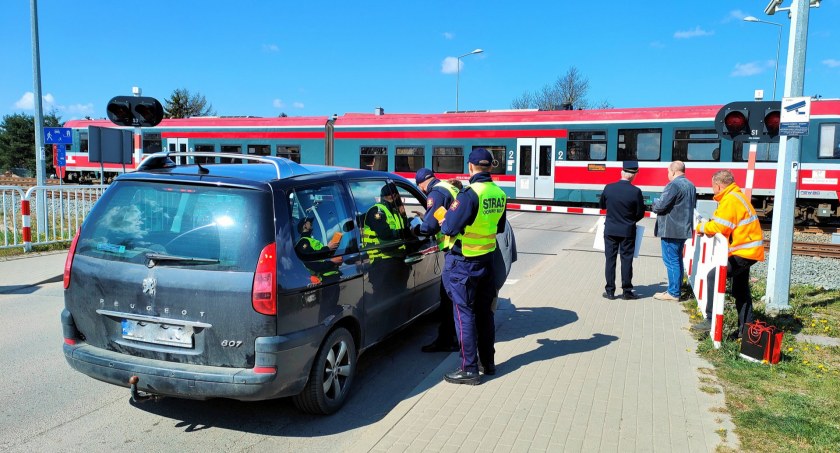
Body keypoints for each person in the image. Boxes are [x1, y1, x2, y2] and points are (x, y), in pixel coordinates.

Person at [440, 148, 507, 385]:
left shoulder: (469, 194)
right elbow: (499, 228)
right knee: (484, 313)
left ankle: (469, 368)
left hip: (464, 263)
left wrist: (444, 218)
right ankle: (488, 362)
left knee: (463, 314)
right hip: (486, 260)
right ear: (490, 167)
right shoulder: (498, 193)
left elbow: (448, 228)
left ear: (470, 167)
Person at [692, 170, 764, 339]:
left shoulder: (730, 200)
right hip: (747, 250)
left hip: (744, 251)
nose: (712, 189)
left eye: (712, 186)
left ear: (718, 185)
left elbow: (720, 227)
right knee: (740, 290)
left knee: (713, 276)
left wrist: (701, 228)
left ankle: (710, 320)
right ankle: (745, 330)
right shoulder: (735, 196)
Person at [411, 168, 462, 353]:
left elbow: (430, 226)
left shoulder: (436, 192)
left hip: (454, 250)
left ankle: (449, 340)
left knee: (448, 297)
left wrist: (416, 230)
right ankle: (451, 338)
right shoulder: (448, 187)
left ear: (420, 184)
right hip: (462, 248)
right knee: (453, 296)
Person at [599, 160, 645, 300]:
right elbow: (640, 213)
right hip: (627, 231)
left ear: (622, 172)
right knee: (626, 261)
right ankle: (626, 291)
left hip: (611, 230)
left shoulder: (609, 188)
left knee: (610, 260)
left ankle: (610, 291)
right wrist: (630, 221)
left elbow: (602, 206)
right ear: (633, 175)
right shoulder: (636, 191)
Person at [652, 161, 697, 301]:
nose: (667, 175)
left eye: (667, 172)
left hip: (671, 229)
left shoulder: (673, 185)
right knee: (677, 259)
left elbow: (660, 206)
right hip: (683, 229)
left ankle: (673, 293)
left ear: (673, 171)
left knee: (671, 261)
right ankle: (676, 288)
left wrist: (654, 202)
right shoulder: (691, 185)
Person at [363, 183, 409, 293]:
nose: (398, 198)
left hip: (396, 261)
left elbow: (404, 232)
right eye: (396, 195)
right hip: (381, 262)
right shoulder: (377, 211)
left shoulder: (395, 212)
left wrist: (403, 216)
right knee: (384, 299)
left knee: (398, 299)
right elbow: (385, 233)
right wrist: (405, 232)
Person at [295, 217, 341, 284]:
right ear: (304, 226)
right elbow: (312, 263)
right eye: (309, 221)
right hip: (325, 279)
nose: (311, 223)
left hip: (333, 276)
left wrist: (336, 261)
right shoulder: (302, 242)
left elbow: (322, 257)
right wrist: (328, 249)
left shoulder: (311, 240)